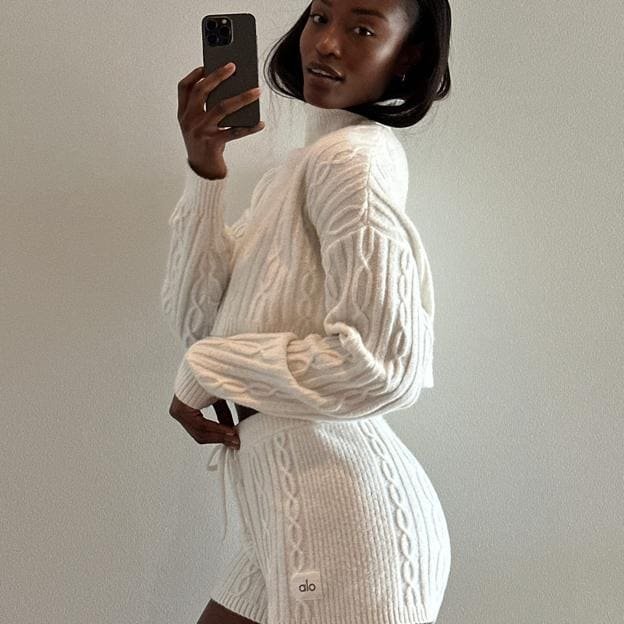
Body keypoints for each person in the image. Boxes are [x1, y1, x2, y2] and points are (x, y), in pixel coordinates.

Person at [161, 1, 453, 622]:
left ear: (409, 57)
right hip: (284, 510)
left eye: (363, 29)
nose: (326, 44)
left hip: (341, 522)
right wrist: (206, 170)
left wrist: (209, 369)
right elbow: (198, 321)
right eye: (320, 18)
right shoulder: (297, 169)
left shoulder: (352, 162)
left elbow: (385, 363)